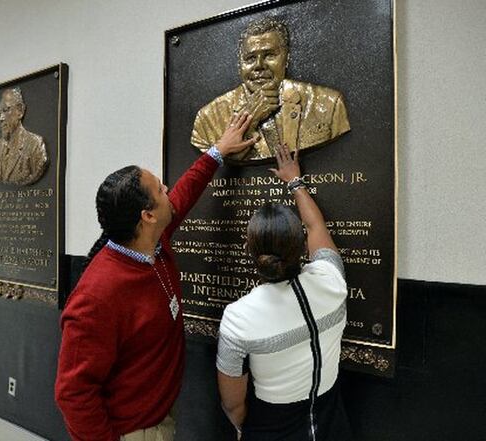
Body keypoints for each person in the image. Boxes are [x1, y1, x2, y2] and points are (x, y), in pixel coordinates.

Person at [55, 113, 257, 441]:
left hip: (161, 412)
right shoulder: (96, 296)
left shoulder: (153, 240)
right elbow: (72, 393)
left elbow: (183, 195)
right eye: (160, 189)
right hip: (134, 431)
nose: (167, 189)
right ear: (147, 216)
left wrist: (217, 151)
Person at [216, 143, 352, 440]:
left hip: (272, 427)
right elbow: (316, 226)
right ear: (302, 247)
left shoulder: (238, 318)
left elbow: (233, 403)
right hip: (331, 422)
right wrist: (295, 181)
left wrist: (245, 429)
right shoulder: (332, 282)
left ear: (249, 251)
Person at [191, 17, 350, 163]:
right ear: (240, 64)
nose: (259, 65)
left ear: (286, 58)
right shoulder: (207, 119)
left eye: (269, 55)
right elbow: (209, 170)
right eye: (250, 58)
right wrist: (249, 121)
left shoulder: (329, 104)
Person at [0, 87, 48, 185]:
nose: (1, 118)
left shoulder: (35, 146)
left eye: (6, 110)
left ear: (20, 111)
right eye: (0, 112)